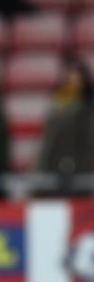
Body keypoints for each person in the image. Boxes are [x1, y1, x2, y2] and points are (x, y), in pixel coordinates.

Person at [38, 57, 94, 191]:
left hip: (82, 172)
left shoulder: (88, 109)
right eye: (69, 78)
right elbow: (48, 141)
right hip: (54, 170)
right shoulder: (57, 105)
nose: (72, 83)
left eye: (76, 78)